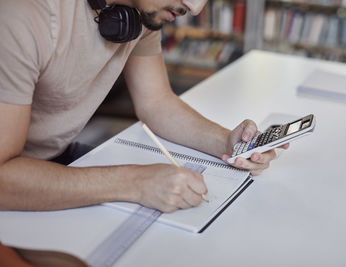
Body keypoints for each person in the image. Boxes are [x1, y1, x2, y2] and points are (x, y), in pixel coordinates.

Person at [0, 0, 288, 213]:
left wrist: (228, 143)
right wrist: (136, 182)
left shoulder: (144, 13)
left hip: (56, 156)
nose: (195, 7)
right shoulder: (22, 14)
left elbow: (156, 101)